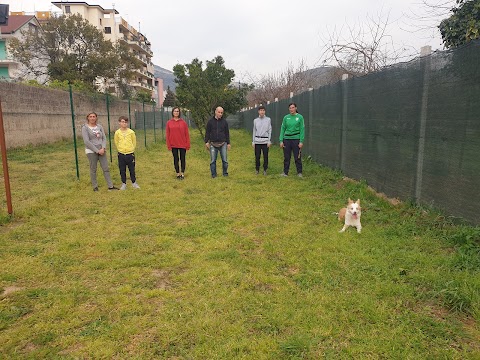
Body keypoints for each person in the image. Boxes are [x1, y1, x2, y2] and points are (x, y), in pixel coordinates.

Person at [81, 112, 119, 191]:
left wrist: (103, 148)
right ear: (88, 118)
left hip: (102, 150)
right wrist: (97, 151)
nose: (92, 118)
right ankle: (95, 187)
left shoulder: (99, 126)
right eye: (90, 116)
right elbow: (86, 141)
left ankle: (110, 186)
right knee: (93, 169)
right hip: (91, 151)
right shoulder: (85, 128)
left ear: (96, 118)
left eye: (94, 116)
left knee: (106, 168)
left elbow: (104, 138)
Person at [114, 116, 140, 190]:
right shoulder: (117, 132)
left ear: (127, 123)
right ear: (119, 123)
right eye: (122, 122)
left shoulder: (131, 132)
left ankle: (134, 183)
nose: (124, 123)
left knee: (132, 169)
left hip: (130, 154)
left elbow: (134, 142)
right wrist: (120, 149)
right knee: (122, 169)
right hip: (121, 154)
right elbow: (116, 142)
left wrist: (131, 149)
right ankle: (124, 184)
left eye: (125, 122)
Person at [279, 102, 305, 177]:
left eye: (293, 107)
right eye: (290, 108)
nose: (291, 109)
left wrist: (301, 141)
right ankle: (285, 172)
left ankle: (299, 172)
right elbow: (282, 129)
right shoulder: (286, 117)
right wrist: (281, 140)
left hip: (296, 139)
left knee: (297, 157)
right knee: (286, 157)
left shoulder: (300, 117)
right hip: (287, 139)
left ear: (296, 108)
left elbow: (302, 129)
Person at [204, 106, 230, 178]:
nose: (220, 114)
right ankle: (213, 175)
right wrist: (206, 142)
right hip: (213, 144)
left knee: (225, 161)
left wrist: (228, 143)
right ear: (215, 112)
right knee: (213, 161)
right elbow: (207, 132)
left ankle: (225, 173)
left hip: (223, 143)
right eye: (219, 112)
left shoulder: (224, 122)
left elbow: (227, 133)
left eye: (221, 113)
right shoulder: (210, 122)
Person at [166, 107, 190, 180]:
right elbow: (167, 134)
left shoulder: (183, 123)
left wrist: (187, 144)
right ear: (172, 112)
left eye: (177, 111)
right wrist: (168, 144)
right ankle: (177, 173)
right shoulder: (169, 123)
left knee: (182, 159)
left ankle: (182, 173)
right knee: (175, 159)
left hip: (182, 144)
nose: (176, 112)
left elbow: (187, 134)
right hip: (173, 144)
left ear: (179, 113)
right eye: (175, 111)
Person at [252, 105, 272, 175]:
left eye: (263, 110)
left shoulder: (268, 119)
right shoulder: (255, 120)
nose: (262, 112)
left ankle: (265, 169)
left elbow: (269, 130)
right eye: (261, 110)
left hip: (265, 141)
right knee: (257, 156)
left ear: (265, 111)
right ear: (258, 111)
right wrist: (253, 141)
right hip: (257, 141)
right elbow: (254, 130)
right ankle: (257, 169)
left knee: (265, 156)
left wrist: (269, 140)